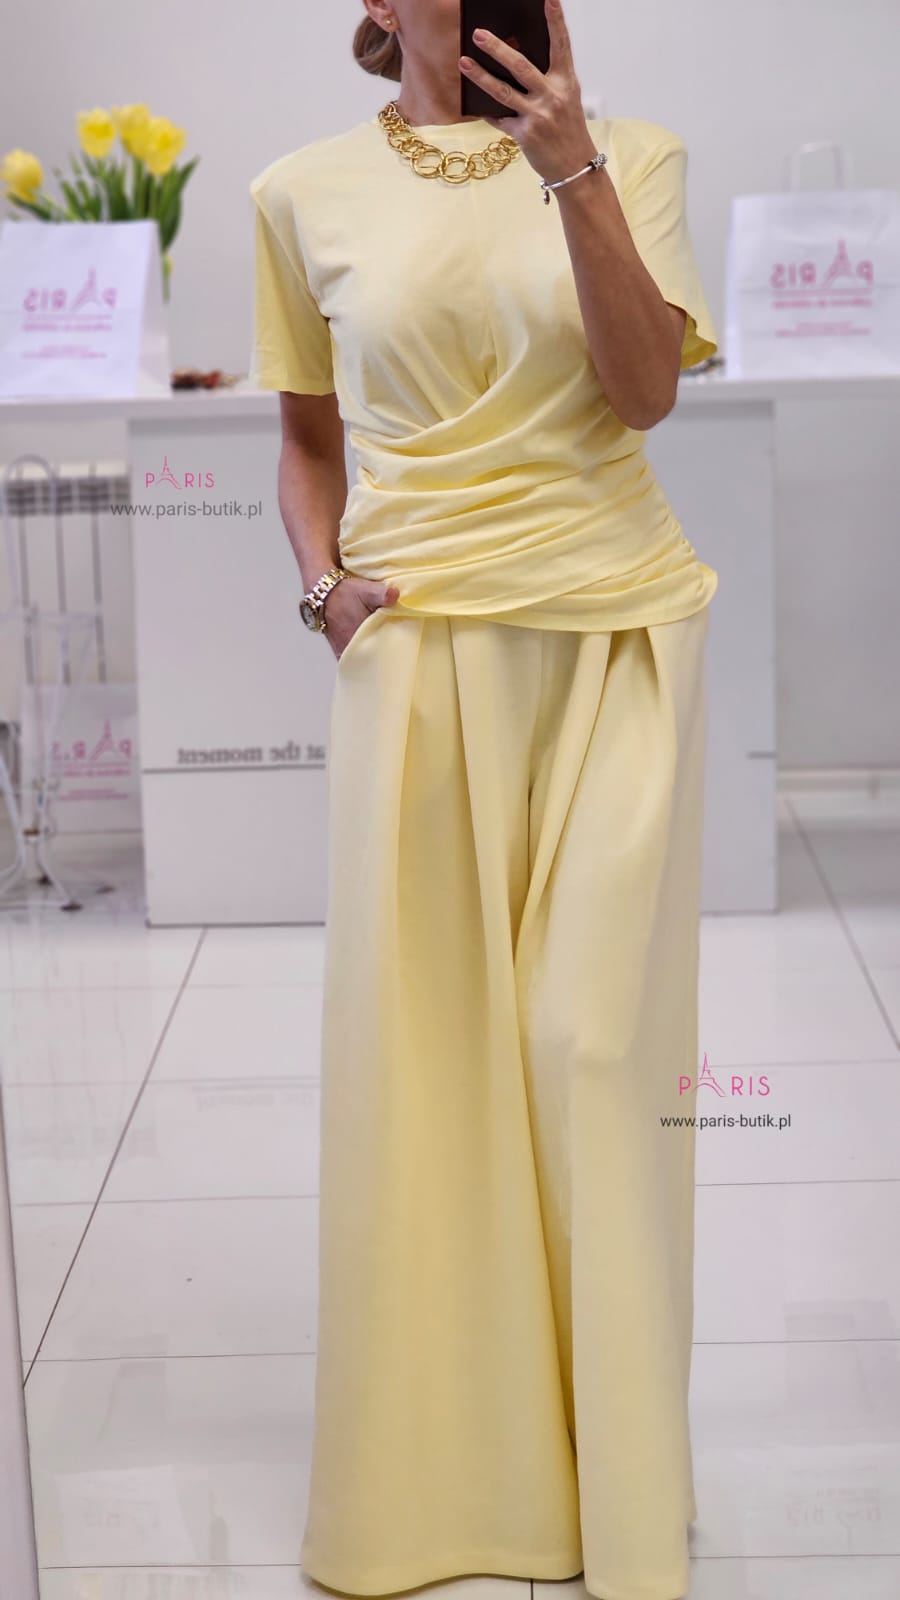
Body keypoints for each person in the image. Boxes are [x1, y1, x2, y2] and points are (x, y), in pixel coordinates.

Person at [249, 2, 719, 1596]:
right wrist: (322, 588)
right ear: (380, 7)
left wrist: (570, 168)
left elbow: (645, 393)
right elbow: (307, 436)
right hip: (420, 656)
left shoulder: (634, 155)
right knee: (430, 1079)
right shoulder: (299, 191)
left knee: (593, 1048)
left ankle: (623, 1484)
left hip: (615, 634)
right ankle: (465, 1491)